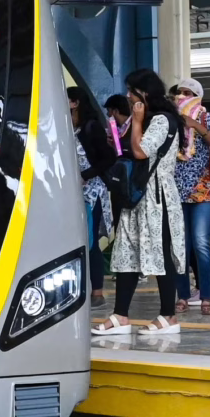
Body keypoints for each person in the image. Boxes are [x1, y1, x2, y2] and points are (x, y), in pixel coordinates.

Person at [93, 70, 187, 337]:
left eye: (131, 91)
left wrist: (135, 121)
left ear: (143, 94)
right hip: (138, 197)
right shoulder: (149, 119)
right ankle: (120, 315)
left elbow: (141, 151)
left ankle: (168, 315)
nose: (127, 96)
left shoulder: (161, 120)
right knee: (128, 253)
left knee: (161, 253)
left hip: (157, 197)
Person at [170, 78, 210, 316]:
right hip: (176, 191)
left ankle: (206, 297)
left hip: (203, 190)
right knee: (180, 246)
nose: (182, 96)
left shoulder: (206, 118)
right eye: (179, 92)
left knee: (201, 242)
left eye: (188, 93)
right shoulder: (170, 120)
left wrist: (195, 125)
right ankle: (182, 296)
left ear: (197, 96)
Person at [68, 87, 119, 308]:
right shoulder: (68, 127)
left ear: (75, 103)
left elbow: (108, 158)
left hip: (92, 192)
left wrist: (85, 175)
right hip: (72, 192)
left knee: (90, 242)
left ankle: (97, 291)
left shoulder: (91, 127)